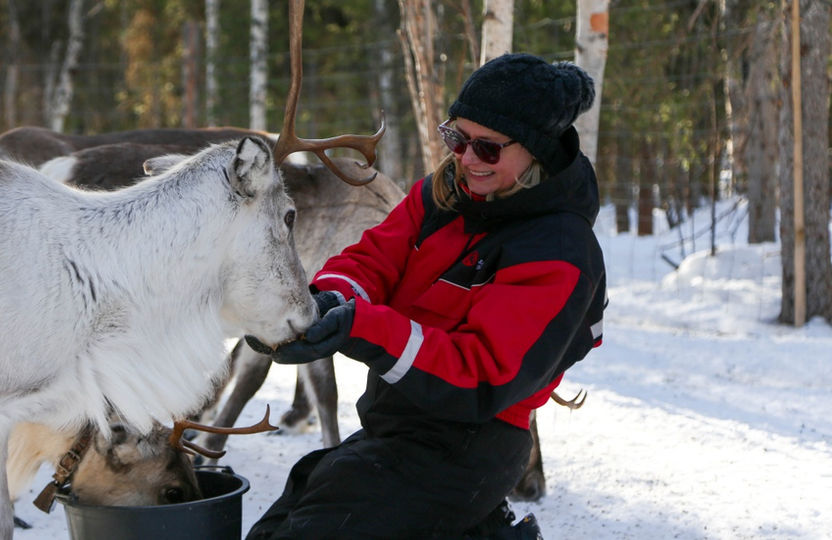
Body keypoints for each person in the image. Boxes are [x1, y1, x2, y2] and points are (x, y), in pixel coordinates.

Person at [246, 52, 607, 540]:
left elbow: (478, 374)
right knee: (283, 520)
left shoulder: (558, 250)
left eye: (489, 148)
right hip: (396, 427)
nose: (467, 158)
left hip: (467, 450)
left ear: (537, 150)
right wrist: (326, 303)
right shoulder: (442, 196)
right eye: (456, 138)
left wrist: (360, 327)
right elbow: (373, 260)